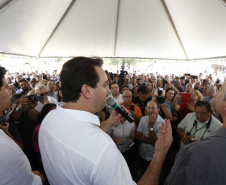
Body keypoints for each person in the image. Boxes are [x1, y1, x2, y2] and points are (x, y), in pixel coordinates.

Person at [39, 57, 173, 185]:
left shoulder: (49, 119)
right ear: (86, 91)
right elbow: (90, 144)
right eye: (104, 85)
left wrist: (109, 123)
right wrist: (159, 153)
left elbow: (77, 137)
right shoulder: (104, 148)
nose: (108, 90)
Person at [164, 82, 226, 185]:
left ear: (210, 113)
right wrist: (183, 136)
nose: (199, 115)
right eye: (197, 112)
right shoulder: (190, 116)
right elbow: (179, 128)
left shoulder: (217, 126)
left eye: (220, 91)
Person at [0, 66, 44, 185]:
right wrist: (19, 107)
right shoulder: (10, 116)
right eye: (5, 88)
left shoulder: (30, 109)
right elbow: (13, 117)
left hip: (32, 147)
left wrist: (30, 107)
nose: (9, 91)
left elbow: (35, 118)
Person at [136, 101, 164, 174]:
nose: (150, 110)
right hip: (142, 153)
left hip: (154, 155)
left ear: (158, 110)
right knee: (143, 170)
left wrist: (150, 126)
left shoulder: (163, 123)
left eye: (153, 108)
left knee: (153, 173)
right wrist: (152, 141)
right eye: (148, 108)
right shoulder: (143, 119)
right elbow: (138, 135)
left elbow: (156, 143)